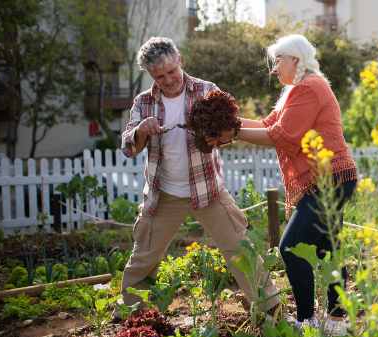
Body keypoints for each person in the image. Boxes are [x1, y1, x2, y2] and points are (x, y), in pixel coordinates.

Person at [119, 37, 279, 316]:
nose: (168, 80)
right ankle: (132, 317)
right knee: (143, 257)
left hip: (208, 191)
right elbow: (128, 147)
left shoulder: (207, 91)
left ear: (180, 59)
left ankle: (271, 310)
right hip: (164, 194)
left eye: (172, 71)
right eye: (160, 76)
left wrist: (215, 136)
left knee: (240, 248)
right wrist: (141, 130)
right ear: (150, 75)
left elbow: (228, 133)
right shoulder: (143, 103)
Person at [236, 34, 357, 335]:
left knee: (290, 247)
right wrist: (230, 123)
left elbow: (283, 136)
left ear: (295, 60)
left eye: (278, 60)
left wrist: (233, 131)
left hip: (328, 181)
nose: (274, 68)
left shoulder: (309, 87)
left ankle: (308, 320)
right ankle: (337, 321)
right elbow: (268, 125)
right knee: (330, 249)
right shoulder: (298, 90)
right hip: (330, 179)